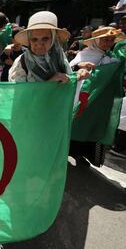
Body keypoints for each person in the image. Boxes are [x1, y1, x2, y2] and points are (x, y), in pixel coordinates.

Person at [69, 26, 125, 166]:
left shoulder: (112, 58)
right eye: (105, 40)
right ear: (95, 41)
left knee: (94, 126)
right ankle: (70, 152)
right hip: (86, 98)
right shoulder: (85, 54)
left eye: (111, 40)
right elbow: (71, 68)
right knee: (78, 123)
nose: (108, 43)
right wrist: (81, 67)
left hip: (101, 102)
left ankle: (83, 155)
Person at [9, 11, 90, 83]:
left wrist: (78, 73)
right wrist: (50, 83)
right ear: (29, 41)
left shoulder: (59, 56)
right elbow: (19, 95)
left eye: (45, 39)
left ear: (53, 40)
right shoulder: (22, 63)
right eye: (34, 39)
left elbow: (68, 77)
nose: (39, 44)